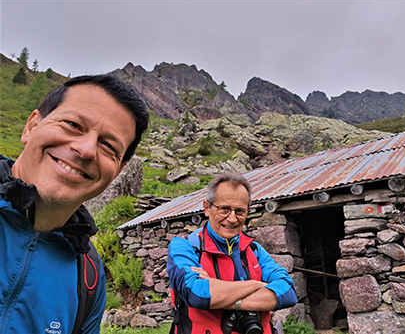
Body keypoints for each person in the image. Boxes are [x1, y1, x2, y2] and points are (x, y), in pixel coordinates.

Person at [0, 74, 149, 334]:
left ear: (119, 170)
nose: (87, 149)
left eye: (108, 145)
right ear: (31, 126)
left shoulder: (89, 275)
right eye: (73, 124)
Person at [167, 172, 297, 334]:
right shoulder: (184, 247)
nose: (232, 218)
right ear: (207, 208)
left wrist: (218, 293)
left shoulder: (255, 251)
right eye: (224, 209)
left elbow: (289, 293)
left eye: (240, 211)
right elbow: (196, 294)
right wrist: (257, 285)